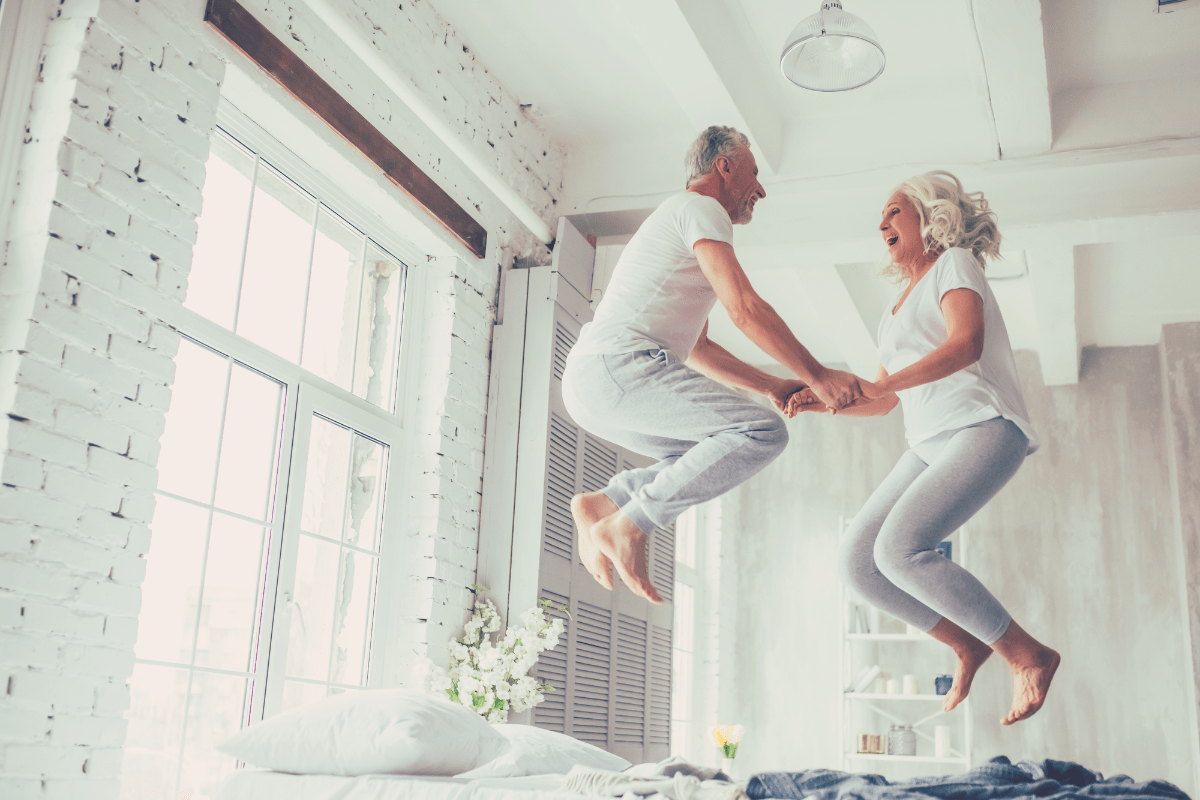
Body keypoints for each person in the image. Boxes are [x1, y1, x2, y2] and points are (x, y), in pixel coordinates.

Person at [788, 171, 1060, 725]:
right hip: (928, 442)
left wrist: (879, 384)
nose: (881, 224)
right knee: (857, 562)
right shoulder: (892, 311)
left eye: (893, 211)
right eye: (880, 219)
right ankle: (967, 642)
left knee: (898, 549)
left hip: (983, 427)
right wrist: (819, 401)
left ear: (928, 215)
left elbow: (966, 344)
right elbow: (883, 401)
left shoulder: (954, 263)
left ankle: (1027, 653)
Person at [562, 126, 866, 604]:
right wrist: (818, 375)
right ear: (724, 166)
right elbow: (744, 308)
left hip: (594, 380)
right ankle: (630, 524)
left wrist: (770, 384)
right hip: (617, 367)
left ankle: (608, 502)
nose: (761, 190)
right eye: (755, 173)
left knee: (706, 451)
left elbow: (699, 348)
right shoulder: (700, 209)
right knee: (762, 433)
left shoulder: (680, 222)